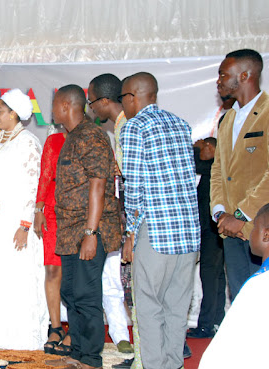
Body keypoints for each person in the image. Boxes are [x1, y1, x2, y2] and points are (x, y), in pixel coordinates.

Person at [120, 72, 200, 369]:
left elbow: (135, 185)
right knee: (177, 308)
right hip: (188, 233)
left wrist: (130, 234)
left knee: (149, 307)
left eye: (123, 98)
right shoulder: (181, 124)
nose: (123, 104)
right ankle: (173, 365)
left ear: (134, 96)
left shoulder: (134, 127)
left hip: (155, 231)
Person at [47, 85, 121, 369]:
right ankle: (77, 353)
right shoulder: (73, 136)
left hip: (89, 229)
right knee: (71, 293)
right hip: (69, 230)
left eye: (54, 104)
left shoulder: (91, 135)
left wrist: (91, 233)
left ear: (66, 105)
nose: (52, 110)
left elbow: (98, 184)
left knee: (87, 295)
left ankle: (91, 359)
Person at [0, 89, 47, 349]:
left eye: (0, 112)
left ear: (14, 114)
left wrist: (25, 225)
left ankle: (20, 338)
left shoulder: (28, 143)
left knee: (16, 275)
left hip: (17, 222)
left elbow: (34, 186)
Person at [210, 48, 266, 301]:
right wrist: (221, 212)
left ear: (245, 75)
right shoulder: (227, 119)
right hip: (231, 231)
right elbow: (218, 170)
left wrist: (242, 215)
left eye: (223, 74)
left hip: (261, 229)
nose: (219, 80)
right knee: (241, 302)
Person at [87, 74, 134, 355]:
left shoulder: (128, 128)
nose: (92, 108)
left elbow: (137, 179)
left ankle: (137, 337)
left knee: (123, 279)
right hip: (117, 214)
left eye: (93, 101)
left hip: (130, 217)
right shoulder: (117, 130)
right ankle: (120, 334)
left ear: (105, 100)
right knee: (111, 277)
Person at [198, 203, 269, 368]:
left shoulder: (257, 285)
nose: (250, 234)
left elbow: (222, 351)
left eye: (253, 229)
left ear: (266, 235)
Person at [34, 130, 69, 355]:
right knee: (52, 271)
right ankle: (56, 328)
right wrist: (39, 208)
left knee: (76, 275)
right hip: (52, 210)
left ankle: (75, 329)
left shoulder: (89, 135)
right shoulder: (53, 140)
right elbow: (45, 174)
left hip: (80, 211)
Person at [188, 137, 225, 339]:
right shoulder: (215, 168)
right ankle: (216, 320)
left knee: (209, 276)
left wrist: (194, 147)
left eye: (201, 146)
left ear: (210, 147)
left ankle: (206, 325)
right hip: (212, 229)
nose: (197, 150)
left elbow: (197, 161)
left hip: (211, 230)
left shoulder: (214, 167)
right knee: (217, 276)